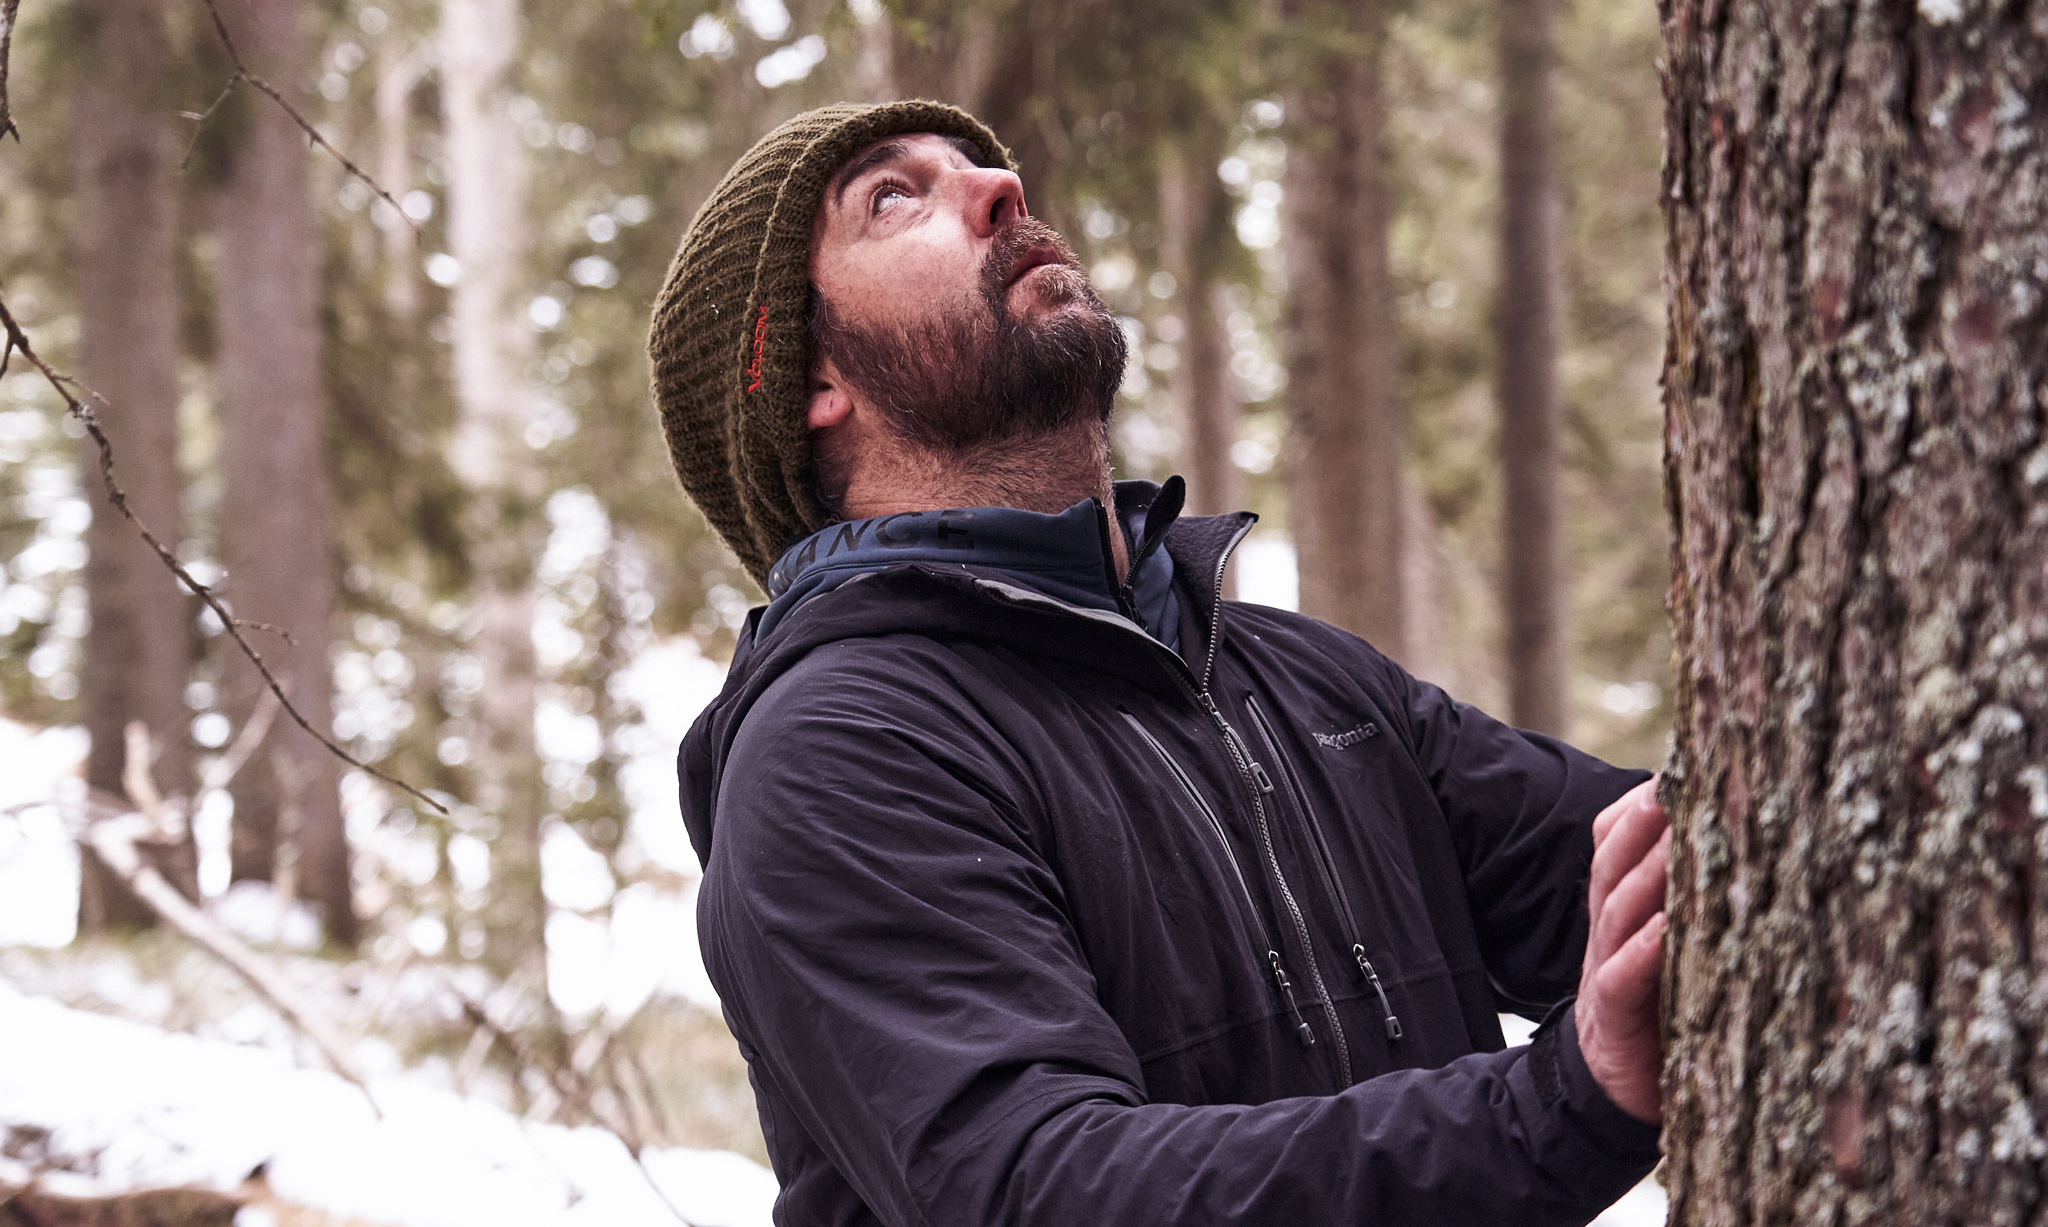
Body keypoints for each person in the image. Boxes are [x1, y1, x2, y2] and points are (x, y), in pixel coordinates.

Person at [647, 100, 1670, 1226]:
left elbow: (1660, 882)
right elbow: (1044, 1190)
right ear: (805, 381)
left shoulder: (1298, 679)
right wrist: (1563, 1104)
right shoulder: (839, 750)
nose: (999, 190)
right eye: (894, 199)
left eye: (981, 166)